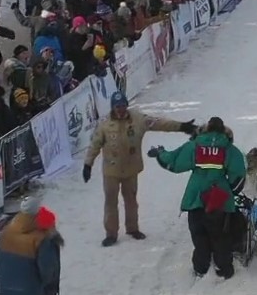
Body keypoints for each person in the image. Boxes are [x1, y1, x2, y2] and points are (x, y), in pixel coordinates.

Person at [82, 93, 194, 246]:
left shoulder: (138, 119)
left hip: (131, 169)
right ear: (112, 107)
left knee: (131, 200)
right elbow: (94, 145)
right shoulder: (105, 124)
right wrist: (88, 164)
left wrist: (182, 126)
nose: (120, 109)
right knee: (110, 202)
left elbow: (159, 123)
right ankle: (111, 233)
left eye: (123, 106)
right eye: (117, 107)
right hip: (111, 171)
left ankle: (133, 228)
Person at [149, 117, 249, 279]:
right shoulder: (230, 149)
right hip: (218, 198)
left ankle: (201, 267)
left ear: (207, 129)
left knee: (198, 233)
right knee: (221, 235)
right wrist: (228, 191)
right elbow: (238, 175)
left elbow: (175, 163)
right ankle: (224, 268)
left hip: (195, 197)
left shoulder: (194, 145)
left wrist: (160, 153)